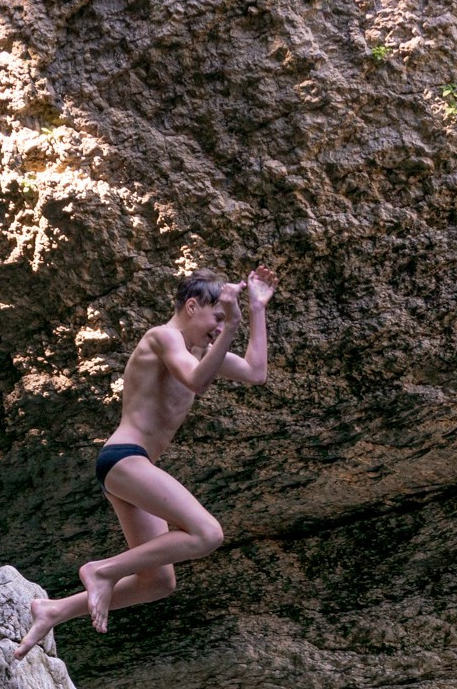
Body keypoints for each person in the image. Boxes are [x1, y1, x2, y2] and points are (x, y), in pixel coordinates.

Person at [15, 263, 276, 659]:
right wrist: (235, 324)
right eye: (216, 318)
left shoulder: (201, 351)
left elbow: (256, 372)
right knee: (208, 533)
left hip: (133, 470)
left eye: (224, 322)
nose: (219, 328)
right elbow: (196, 381)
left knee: (157, 583)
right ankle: (102, 570)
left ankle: (54, 610)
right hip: (124, 458)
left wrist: (256, 308)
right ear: (192, 306)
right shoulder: (163, 338)